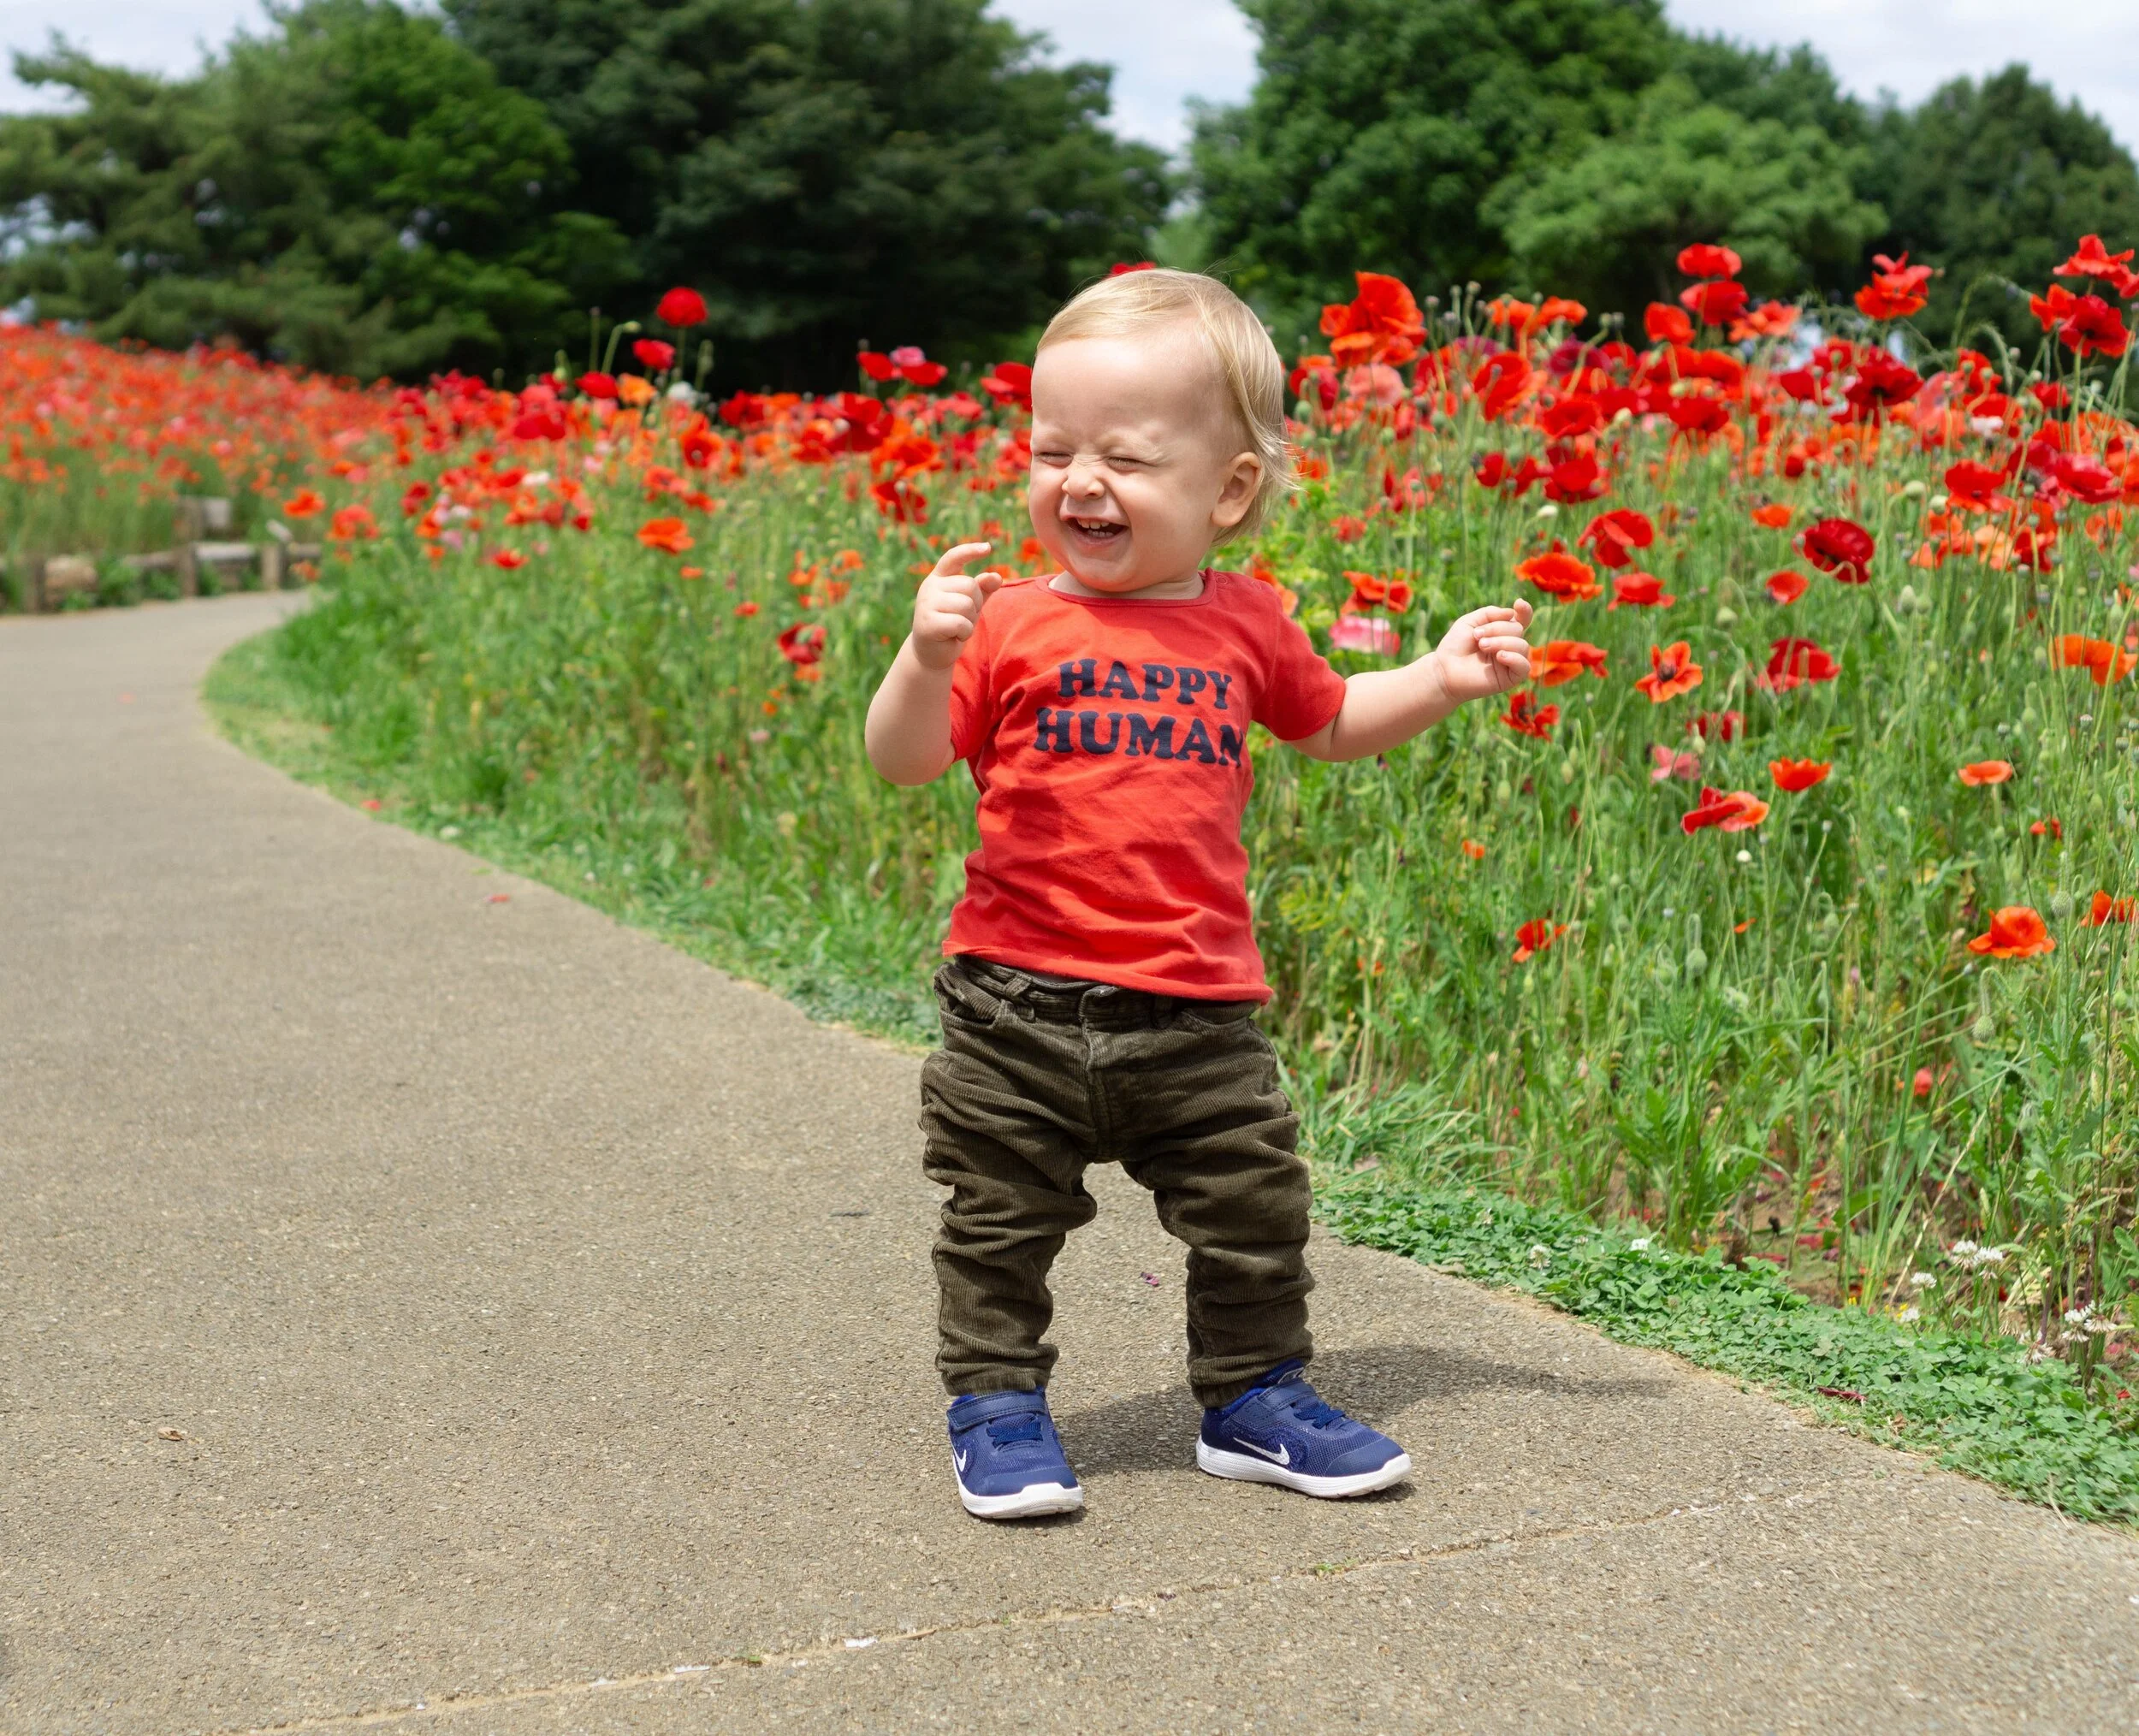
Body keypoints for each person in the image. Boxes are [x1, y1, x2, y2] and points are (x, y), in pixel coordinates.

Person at [865, 268, 1532, 1520]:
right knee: (1000, 1218)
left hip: (1196, 1009)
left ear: (1230, 492)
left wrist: (1439, 677)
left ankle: (1252, 1397)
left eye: (1124, 456)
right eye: (1052, 448)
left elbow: (1332, 720)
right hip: (1014, 1007)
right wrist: (922, 655)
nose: (1078, 482)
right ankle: (998, 1404)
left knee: (1254, 1210)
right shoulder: (1005, 623)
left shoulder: (1248, 623)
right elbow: (902, 759)